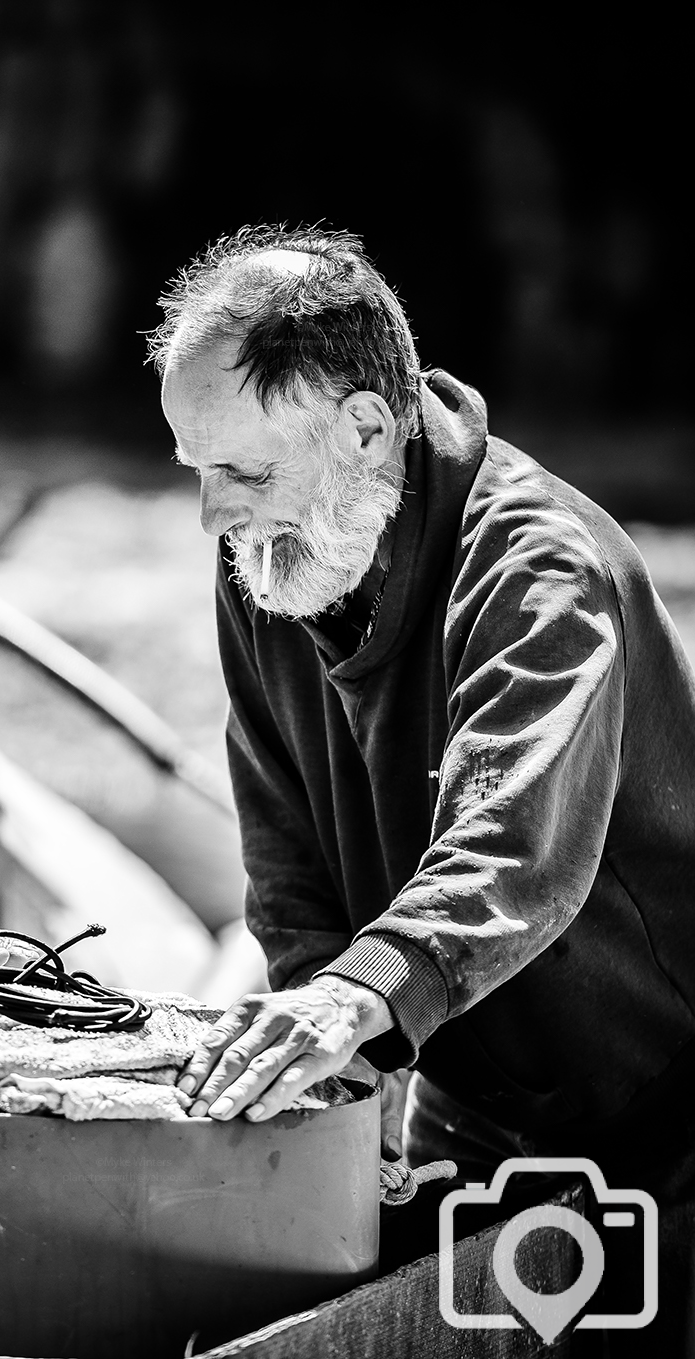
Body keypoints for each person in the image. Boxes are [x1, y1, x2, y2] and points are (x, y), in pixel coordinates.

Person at [153, 228, 695, 1218]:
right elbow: (286, 854)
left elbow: (510, 852)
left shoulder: (540, 573)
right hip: (458, 1084)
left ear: (366, 430)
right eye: (197, 468)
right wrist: (347, 1063)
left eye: (244, 473)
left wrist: (353, 1002)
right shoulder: (273, 556)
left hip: (664, 1109)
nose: (211, 515)